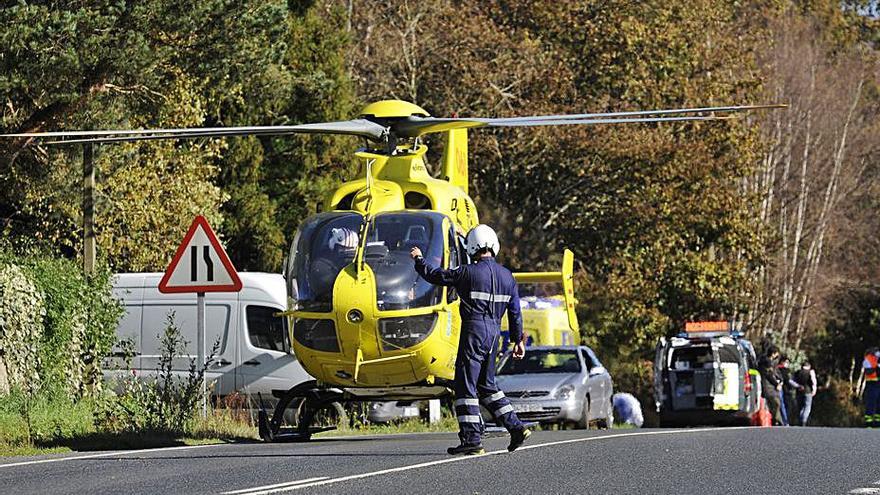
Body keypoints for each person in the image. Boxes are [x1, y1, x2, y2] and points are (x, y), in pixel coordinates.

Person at [410, 224, 530, 455]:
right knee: (487, 386)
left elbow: (435, 276)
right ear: (494, 246)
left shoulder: (467, 272)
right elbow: (515, 312)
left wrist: (419, 259)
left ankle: (472, 440)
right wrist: (518, 341)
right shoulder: (508, 277)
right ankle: (516, 428)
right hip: (494, 334)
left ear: (471, 247)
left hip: (474, 331)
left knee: (466, 386)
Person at [758, 346, 783, 426]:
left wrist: (779, 379)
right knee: (776, 402)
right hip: (768, 386)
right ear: (773, 354)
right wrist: (776, 384)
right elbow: (769, 375)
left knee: (772, 404)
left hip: (768, 386)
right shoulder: (767, 362)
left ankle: (775, 420)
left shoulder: (768, 361)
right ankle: (777, 421)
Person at [793, 360, 817, 426]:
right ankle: (804, 420)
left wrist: (797, 386)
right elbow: (813, 382)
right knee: (807, 407)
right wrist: (814, 390)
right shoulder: (810, 372)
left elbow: (792, 381)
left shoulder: (797, 372)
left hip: (799, 391)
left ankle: (800, 419)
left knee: (800, 407)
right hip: (808, 391)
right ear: (809, 366)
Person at [778, 356, 799, 426]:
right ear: (782, 362)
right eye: (786, 362)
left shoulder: (777, 368)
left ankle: (781, 420)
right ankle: (785, 421)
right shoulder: (785, 370)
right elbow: (789, 380)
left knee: (782, 406)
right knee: (786, 406)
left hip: (780, 389)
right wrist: (798, 386)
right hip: (786, 390)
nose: (787, 364)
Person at [863, 348, 880, 428]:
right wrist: (876, 368)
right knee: (871, 403)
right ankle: (868, 424)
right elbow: (868, 371)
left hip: (878, 383)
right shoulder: (868, 359)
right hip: (871, 384)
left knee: (879, 404)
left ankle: (877, 423)